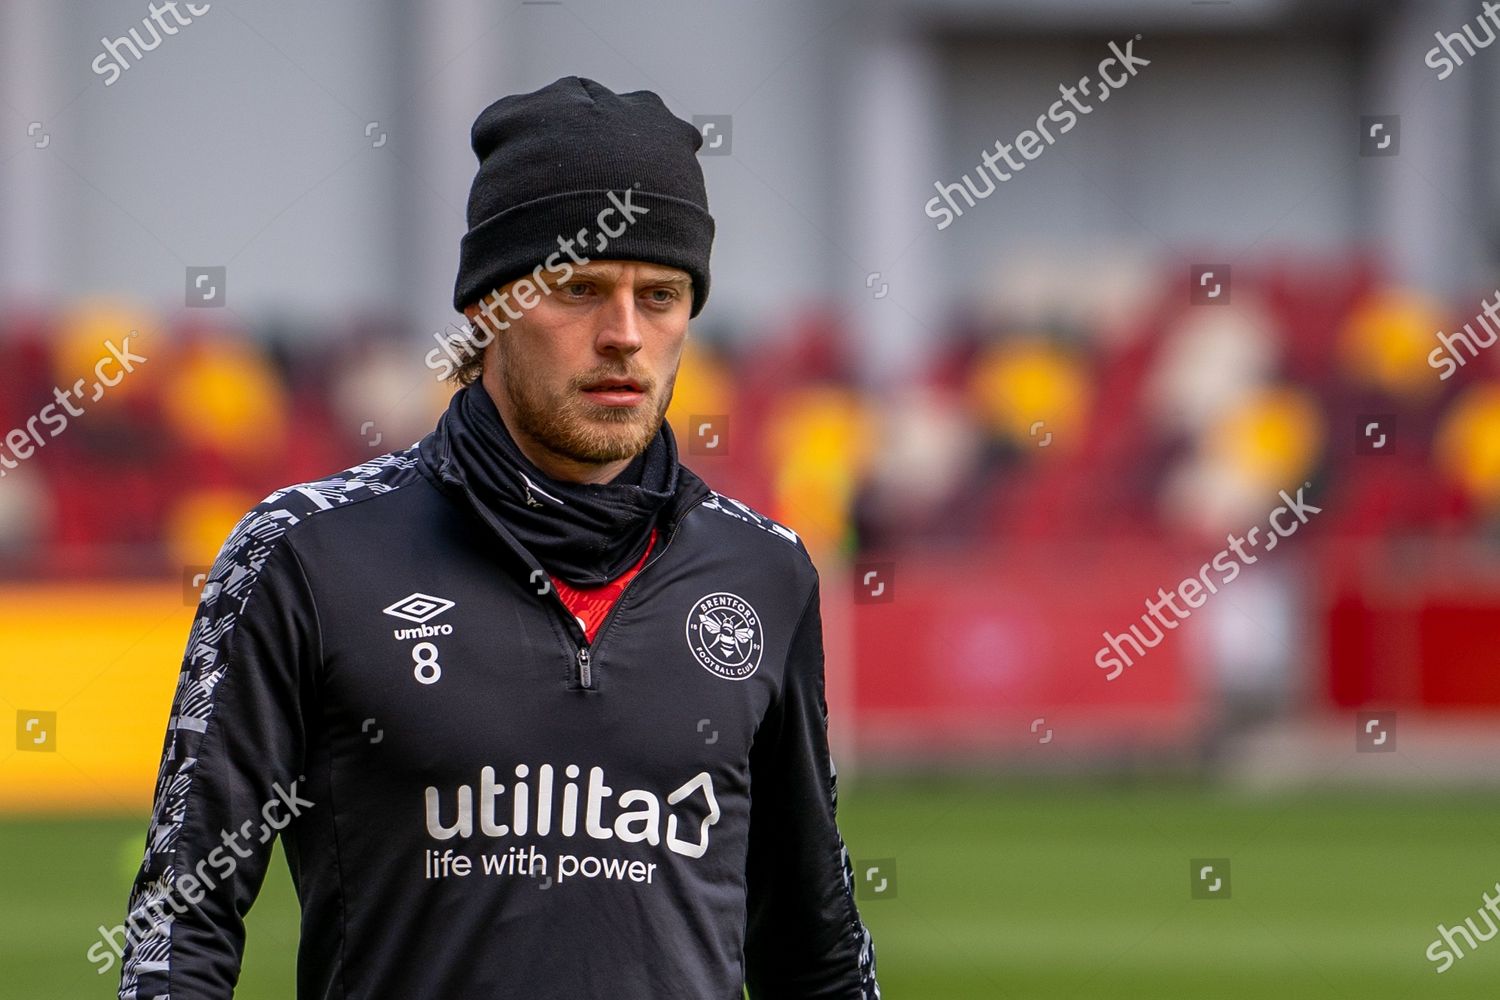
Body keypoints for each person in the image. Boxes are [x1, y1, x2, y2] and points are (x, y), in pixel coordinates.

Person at [118, 75, 880, 999]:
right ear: (488, 307)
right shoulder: (304, 556)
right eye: (580, 288)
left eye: (663, 294)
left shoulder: (766, 573)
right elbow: (179, 925)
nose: (625, 336)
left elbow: (816, 949)